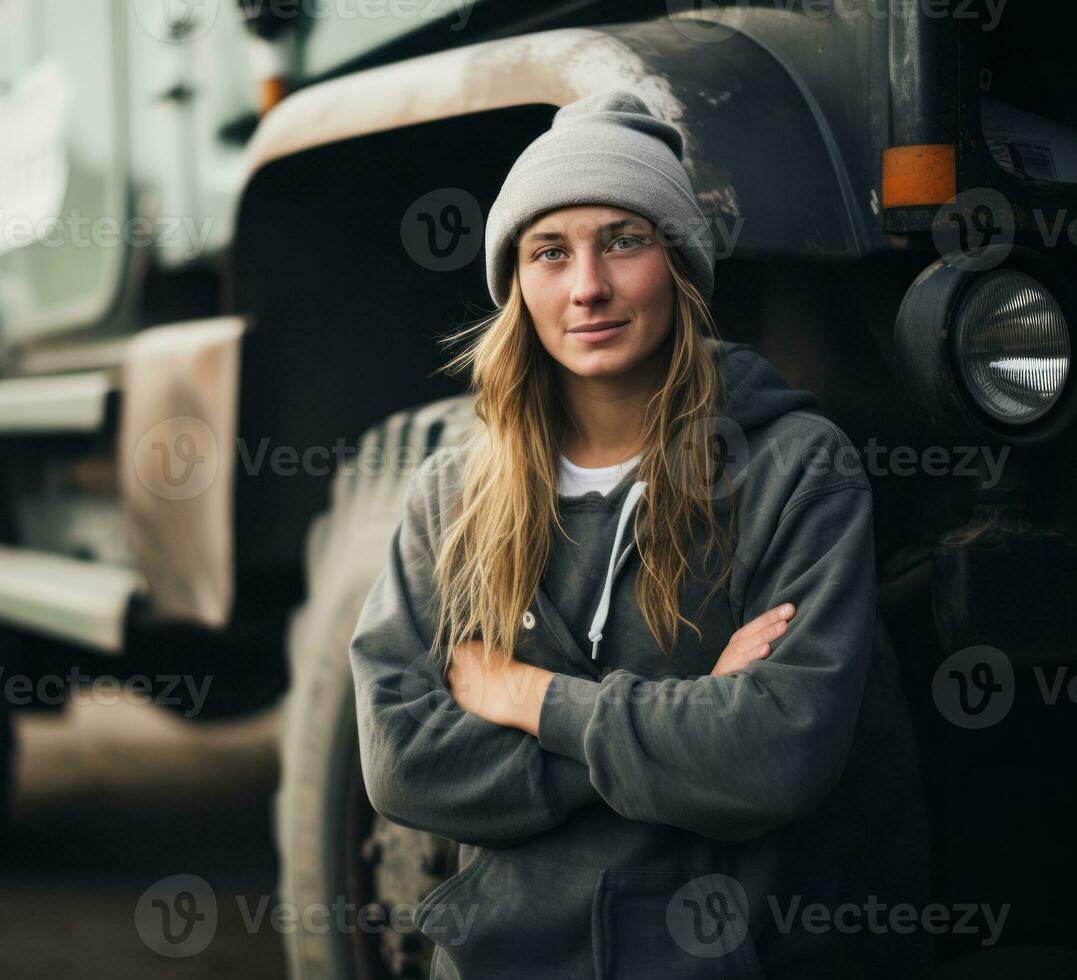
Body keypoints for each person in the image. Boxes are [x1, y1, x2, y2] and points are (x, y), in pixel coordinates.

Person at [348, 89, 926, 979]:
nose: (587, 286)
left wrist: (528, 700)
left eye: (624, 240)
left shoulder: (796, 469)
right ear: (517, 286)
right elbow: (401, 764)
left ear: (680, 265)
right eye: (550, 252)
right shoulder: (452, 494)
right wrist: (682, 728)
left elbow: (776, 754)